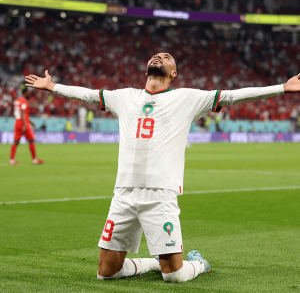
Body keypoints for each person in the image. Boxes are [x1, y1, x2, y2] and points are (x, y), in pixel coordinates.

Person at [25, 53, 300, 283]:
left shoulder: (187, 98)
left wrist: (281, 88)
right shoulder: (125, 97)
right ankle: (153, 262)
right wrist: (53, 87)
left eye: (166, 58)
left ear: (173, 73)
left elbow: (231, 96)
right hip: (123, 194)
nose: (159, 57)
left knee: (175, 277)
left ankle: (198, 263)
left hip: (160, 194)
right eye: (156, 55)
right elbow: (88, 95)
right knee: (106, 274)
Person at [9, 89, 44, 165]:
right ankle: (34, 160)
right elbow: (22, 113)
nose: (29, 94)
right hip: (23, 123)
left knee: (16, 142)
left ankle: (11, 160)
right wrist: (25, 125)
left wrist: (31, 122)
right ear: (25, 93)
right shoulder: (24, 101)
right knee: (31, 140)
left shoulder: (17, 100)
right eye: (28, 93)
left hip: (17, 123)